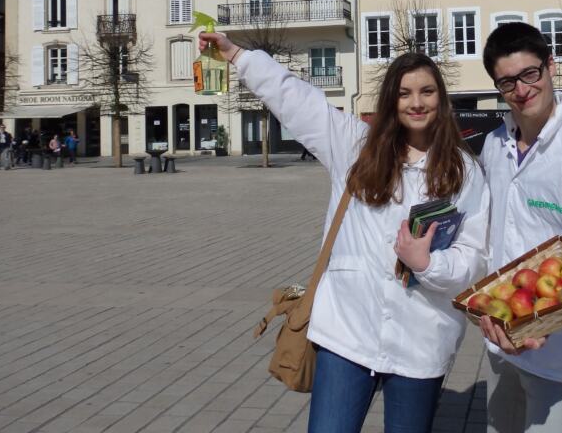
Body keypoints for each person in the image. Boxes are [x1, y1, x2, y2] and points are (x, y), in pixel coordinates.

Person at [199, 31, 489, 433]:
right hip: (346, 333)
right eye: (405, 93)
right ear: (391, 100)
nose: (417, 102)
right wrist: (237, 55)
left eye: (427, 92)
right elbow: (295, 99)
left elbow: (475, 254)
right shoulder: (356, 146)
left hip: (422, 339)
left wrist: (430, 264)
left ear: (442, 98)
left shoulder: (464, 170)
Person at [477, 22, 562, 433]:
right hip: (500, 325)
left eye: (529, 74)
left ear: (550, 66)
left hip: (555, 336)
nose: (521, 90)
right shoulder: (494, 145)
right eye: (507, 82)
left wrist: (535, 324)